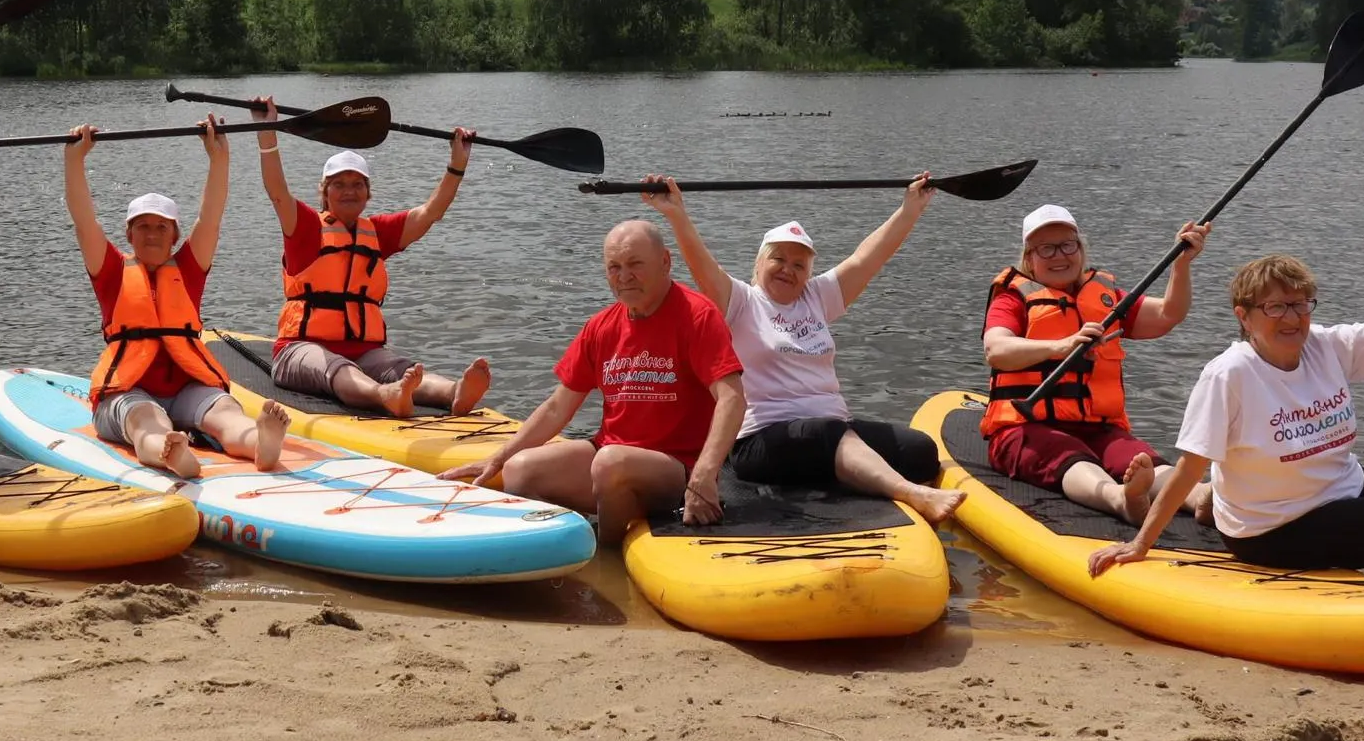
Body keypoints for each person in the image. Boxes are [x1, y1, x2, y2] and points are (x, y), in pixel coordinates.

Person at [1088, 232, 1364, 601]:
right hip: (1268, 526)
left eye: (1301, 304)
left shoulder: (1325, 345)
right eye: (1275, 307)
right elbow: (1191, 466)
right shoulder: (1229, 375)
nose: (1292, 317)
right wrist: (1141, 543)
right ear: (1244, 317)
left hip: (1338, 489)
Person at [637, 172, 967, 524]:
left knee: (919, 450)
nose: (788, 270)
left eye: (799, 264)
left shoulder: (817, 297)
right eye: (778, 259)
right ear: (759, 263)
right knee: (827, 434)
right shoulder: (741, 302)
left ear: (809, 272)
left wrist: (911, 208)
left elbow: (868, 258)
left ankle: (842, 469)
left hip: (831, 427)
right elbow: (702, 265)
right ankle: (911, 493)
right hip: (760, 440)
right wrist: (676, 214)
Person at [438, 220, 747, 546]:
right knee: (521, 470)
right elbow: (558, 407)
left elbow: (732, 398)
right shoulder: (601, 326)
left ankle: (606, 554)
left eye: (635, 264)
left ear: (665, 262)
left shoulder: (697, 315)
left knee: (611, 462)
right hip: (611, 457)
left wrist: (703, 475)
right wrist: (499, 458)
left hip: (676, 467)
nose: (624, 276)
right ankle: (568, 545)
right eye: (614, 267)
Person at [64, 117, 289, 478]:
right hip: (128, 391)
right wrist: (74, 161)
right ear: (129, 233)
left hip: (187, 388)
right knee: (146, 420)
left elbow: (211, 217)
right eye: (143, 226)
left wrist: (219, 159)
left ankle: (260, 443)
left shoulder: (187, 270)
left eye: (161, 227)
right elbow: (84, 220)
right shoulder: (110, 271)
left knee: (225, 413)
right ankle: (169, 450)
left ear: (174, 235)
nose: (152, 234)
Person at [250, 94, 490, 418]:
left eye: (357, 184)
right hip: (299, 349)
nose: (349, 190)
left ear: (367, 193)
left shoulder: (376, 232)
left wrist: (457, 164)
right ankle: (383, 396)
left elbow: (430, 212)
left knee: (397, 366)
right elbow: (277, 190)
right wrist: (268, 133)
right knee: (336, 368)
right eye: (339, 184)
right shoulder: (305, 227)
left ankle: (454, 392)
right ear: (325, 192)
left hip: (364, 350)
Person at [981, 203, 1214, 525]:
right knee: (1067, 457)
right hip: (1026, 427)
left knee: (1140, 460)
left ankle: (1200, 497)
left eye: (1067, 245)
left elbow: (1166, 316)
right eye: (1046, 249)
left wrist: (1182, 264)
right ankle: (1119, 499)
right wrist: (1060, 345)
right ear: (1029, 259)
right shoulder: (1013, 298)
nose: (1059, 256)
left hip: (1098, 427)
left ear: (1081, 249)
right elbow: (996, 349)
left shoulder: (1106, 298)